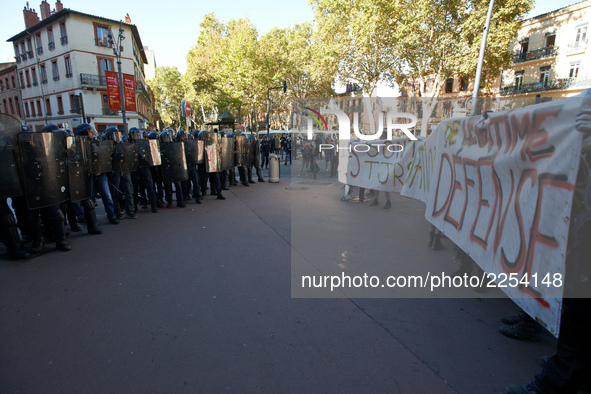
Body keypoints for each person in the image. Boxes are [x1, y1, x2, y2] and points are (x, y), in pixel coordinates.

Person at [74, 123, 119, 225]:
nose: (92, 133)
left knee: (107, 196)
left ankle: (111, 216)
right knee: (87, 199)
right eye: (90, 131)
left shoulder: (97, 143)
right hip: (87, 175)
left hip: (100, 173)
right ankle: (88, 219)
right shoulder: (78, 145)